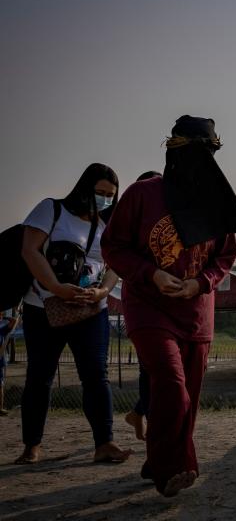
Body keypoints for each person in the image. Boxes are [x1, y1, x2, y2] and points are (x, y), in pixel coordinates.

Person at [102, 116, 236, 497]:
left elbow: (226, 254)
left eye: (210, 154)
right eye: (197, 153)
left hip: (197, 313)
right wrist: (150, 274)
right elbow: (113, 247)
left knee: (188, 399)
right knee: (171, 385)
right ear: (175, 152)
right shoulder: (142, 194)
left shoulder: (216, 199)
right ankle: (175, 469)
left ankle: (157, 458)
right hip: (149, 307)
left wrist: (201, 282)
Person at [15, 163, 129, 465]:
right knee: (39, 377)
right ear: (84, 187)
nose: (105, 199)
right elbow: (30, 250)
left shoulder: (108, 226)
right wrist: (55, 286)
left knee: (96, 375)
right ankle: (32, 446)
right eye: (100, 192)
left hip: (91, 309)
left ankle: (104, 443)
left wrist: (103, 292)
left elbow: (115, 265)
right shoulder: (51, 210)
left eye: (110, 196)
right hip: (44, 308)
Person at [122, 170, 162, 442]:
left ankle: (140, 415)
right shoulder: (131, 226)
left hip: (166, 303)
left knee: (153, 368)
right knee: (151, 367)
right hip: (142, 302)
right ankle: (146, 418)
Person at [0, 304, 20, 416]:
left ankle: (0, 408)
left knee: (0, 385)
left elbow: (14, 321)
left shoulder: (2, 330)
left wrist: (5, 317)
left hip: (0, 363)